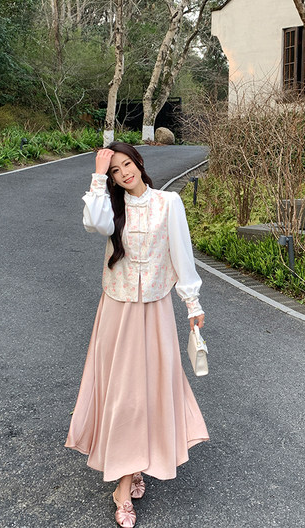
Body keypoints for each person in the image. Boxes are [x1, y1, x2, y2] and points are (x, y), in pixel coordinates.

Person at [65, 142, 209, 528]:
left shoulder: (169, 203)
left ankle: (132, 470)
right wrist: (97, 176)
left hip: (156, 309)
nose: (124, 173)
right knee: (126, 394)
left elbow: (182, 254)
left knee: (150, 391)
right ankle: (124, 485)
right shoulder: (112, 208)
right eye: (116, 171)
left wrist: (192, 305)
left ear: (139, 163)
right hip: (118, 309)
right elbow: (93, 223)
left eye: (126, 164)